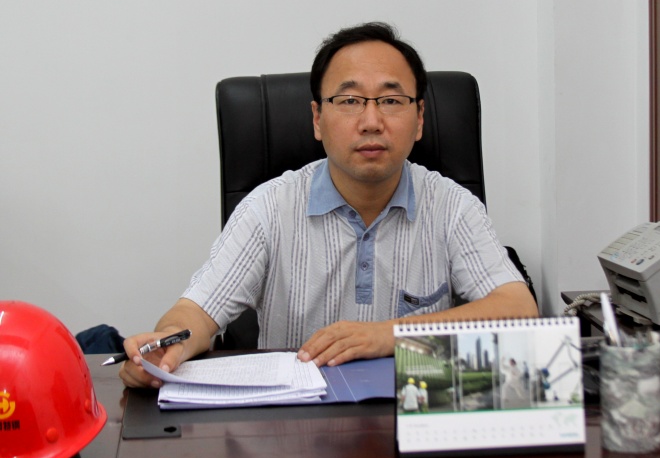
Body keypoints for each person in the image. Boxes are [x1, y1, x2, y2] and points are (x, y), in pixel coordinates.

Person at [119, 22, 538, 388]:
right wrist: (165, 347)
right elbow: (196, 311)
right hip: (296, 427)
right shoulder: (269, 208)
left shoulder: (452, 206)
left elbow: (518, 310)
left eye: (391, 101)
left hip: (413, 418)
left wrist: (389, 335)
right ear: (318, 119)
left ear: (420, 119)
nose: (371, 121)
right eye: (350, 101)